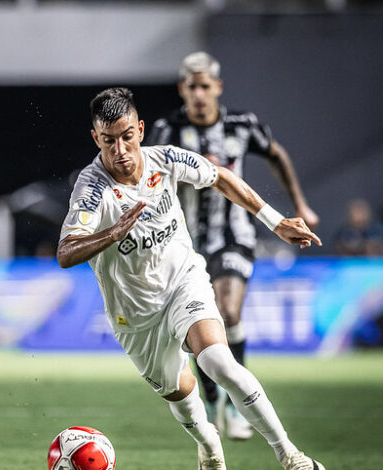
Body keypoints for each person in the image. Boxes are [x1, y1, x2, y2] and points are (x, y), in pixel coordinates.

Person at [57, 87, 324, 470]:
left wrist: (276, 221)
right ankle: (210, 446)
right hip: (135, 314)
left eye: (127, 136)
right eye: (109, 140)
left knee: (218, 360)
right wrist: (112, 233)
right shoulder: (92, 189)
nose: (120, 150)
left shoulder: (164, 160)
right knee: (180, 392)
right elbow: (66, 252)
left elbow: (221, 177)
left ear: (141, 130)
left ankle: (291, 455)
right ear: (96, 138)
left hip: (184, 281)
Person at [146, 51, 319, 440]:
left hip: (235, 236)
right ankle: (212, 399)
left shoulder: (242, 124)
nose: (200, 94)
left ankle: (235, 404)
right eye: (192, 87)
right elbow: (149, 176)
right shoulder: (165, 131)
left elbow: (277, 154)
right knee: (192, 329)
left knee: (227, 311)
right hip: (185, 242)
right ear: (182, 90)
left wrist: (300, 204)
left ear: (218, 87)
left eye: (206, 86)